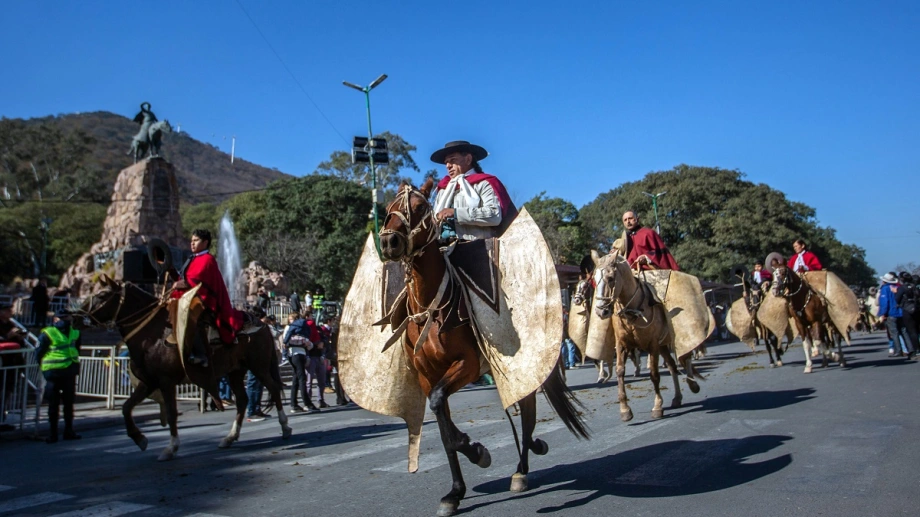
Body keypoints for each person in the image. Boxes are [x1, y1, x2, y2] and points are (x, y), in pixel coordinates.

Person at [171, 229, 249, 368]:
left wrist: (183, 283)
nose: (192, 243)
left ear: (205, 242)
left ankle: (201, 354)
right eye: (191, 240)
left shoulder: (208, 259)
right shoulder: (193, 258)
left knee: (191, 316)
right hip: (191, 297)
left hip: (206, 300)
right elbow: (184, 277)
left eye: (196, 240)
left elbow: (197, 279)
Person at [430, 140, 517, 241]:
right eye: (446, 162)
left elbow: (494, 215)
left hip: (479, 249)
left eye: (453, 160)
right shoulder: (443, 190)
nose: (448, 166)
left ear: (468, 159)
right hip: (444, 249)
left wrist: (456, 213)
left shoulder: (484, 184)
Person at [36, 309, 82, 443]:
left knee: (61, 404)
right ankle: (60, 432)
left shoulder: (72, 332)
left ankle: (61, 432)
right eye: (64, 317)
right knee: (60, 404)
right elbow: (39, 352)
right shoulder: (51, 333)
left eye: (67, 318)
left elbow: (76, 349)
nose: (66, 320)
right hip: (60, 371)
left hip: (61, 372)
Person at [615, 211, 680, 270]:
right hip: (630, 272)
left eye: (630, 218)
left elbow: (660, 252)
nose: (628, 222)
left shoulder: (649, 233)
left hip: (649, 270)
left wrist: (646, 257)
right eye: (625, 220)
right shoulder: (624, 240)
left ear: (637, 219)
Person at [283, 312, 318, 413]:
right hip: (299, 353)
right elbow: (308, 343)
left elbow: (285, 341)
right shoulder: (303, 328)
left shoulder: (290, 328)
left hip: (292, 353)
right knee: (302, 378)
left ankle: (294, 404)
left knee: (296, 379)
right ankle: (307, 403)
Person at [878, 272, 911, 358]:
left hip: (891, 313)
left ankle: (898, 350)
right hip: (901, 312)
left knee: (894, 333)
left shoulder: (885, 289)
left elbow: (884, 302)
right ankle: (910, 349)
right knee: (904, 331)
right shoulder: (898, 287)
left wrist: (882, 313)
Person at [895, 271, 919, 359]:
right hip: (917, 309)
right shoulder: (915, 287)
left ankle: (916, 351)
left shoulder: (902, 288)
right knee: (917, 330)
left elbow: (897, 299)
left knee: (911, 331)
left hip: (907, 311)